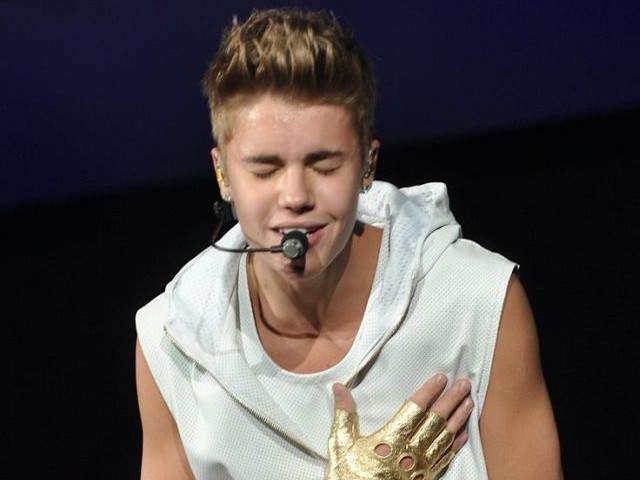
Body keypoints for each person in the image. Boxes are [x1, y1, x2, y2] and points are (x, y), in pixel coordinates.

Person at [135, 8, 562, 480]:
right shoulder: (173, 342)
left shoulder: (477, 300)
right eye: (265, 170)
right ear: (222, 174)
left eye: (324, 166)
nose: (295, 197)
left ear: (367, 165)